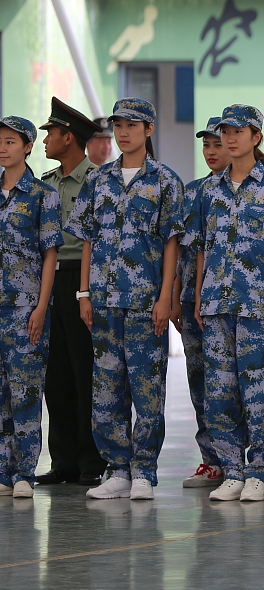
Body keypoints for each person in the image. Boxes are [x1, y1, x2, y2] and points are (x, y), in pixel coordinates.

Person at [68, 98, 184, 501]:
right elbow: (87, 240)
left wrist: (165, 296)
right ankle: (117, 469)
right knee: (107, 388)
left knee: (147, 388)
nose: (123, 132)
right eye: (118, 125)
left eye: (132, 125)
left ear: (149, 130)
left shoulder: (165, 181)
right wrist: (84, 292)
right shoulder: (98, 181)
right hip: (103, 301)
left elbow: (172, 244)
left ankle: (144, 472)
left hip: (144, 301)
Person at [187, 105, 264, 503]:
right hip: (217, 302)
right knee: (219, 389)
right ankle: (232, 468)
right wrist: (201, 293)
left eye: (239, 132)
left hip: (259, 303)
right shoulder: (208, 191)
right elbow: (200, 247)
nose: (230, 139)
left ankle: (258, 472)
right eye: (225, 132)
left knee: (260, 389)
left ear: (256, 137)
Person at [36, 98, 105, 487]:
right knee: (55, 373)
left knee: (86, 372)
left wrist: (87, 291)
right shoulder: (45, 184)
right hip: (49, 278)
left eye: (51, 133)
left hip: (85, 277)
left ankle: (90, 460)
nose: (46, 139)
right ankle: (61, 460)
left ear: (69, 137)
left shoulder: (97, 181)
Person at [0, 116, 62, 498]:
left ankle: (24, 471)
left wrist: (41, 306)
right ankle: (3, 470)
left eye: (10, 141)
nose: (3, 147)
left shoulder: (42, 195)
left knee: (25, 391)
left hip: (25, 308)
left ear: (26, 147)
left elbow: (50, 256)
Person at [175, 116, 231, 489]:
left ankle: (238, 461)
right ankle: (211, 459)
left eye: (218, 144)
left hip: (232, 302)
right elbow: (183, 250)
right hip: (194, 301)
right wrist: (181, 296)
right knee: (201, 380)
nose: (211, 151)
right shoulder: (193, 191)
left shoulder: (262, 188)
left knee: (233, 384)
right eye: (206, 145)